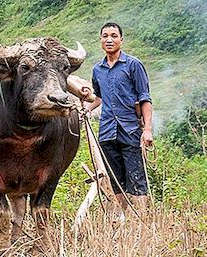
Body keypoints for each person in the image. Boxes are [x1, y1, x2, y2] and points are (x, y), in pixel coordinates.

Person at [84, 22, 153, 210]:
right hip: (107, 132)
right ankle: (125, 218)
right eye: (105, 35)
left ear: (121, 40)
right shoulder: (97, 70)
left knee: (136, 176)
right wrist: (87, 109)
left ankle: (142, 219)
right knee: (115, 179)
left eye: (114, 35)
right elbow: (99, 97)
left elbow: (145, 98)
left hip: (129, 129)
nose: (109, 39)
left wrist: (147, 130)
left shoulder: (133, 65)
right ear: (100, 40)